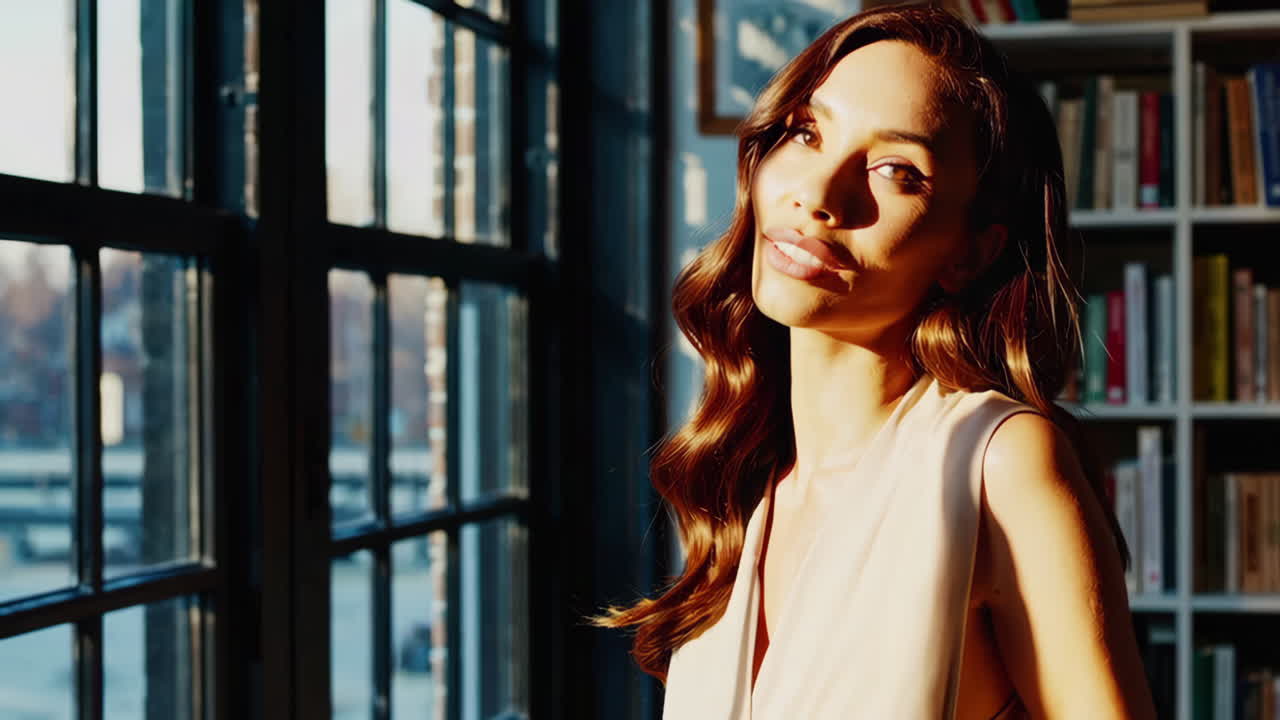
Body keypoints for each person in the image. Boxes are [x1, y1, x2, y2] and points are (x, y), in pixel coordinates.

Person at [592, 3, 1159, 719]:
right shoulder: (747, 486)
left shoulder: (995, 463)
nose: (819, 196)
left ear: (970, 250)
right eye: (806, 132)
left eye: (896, 171)